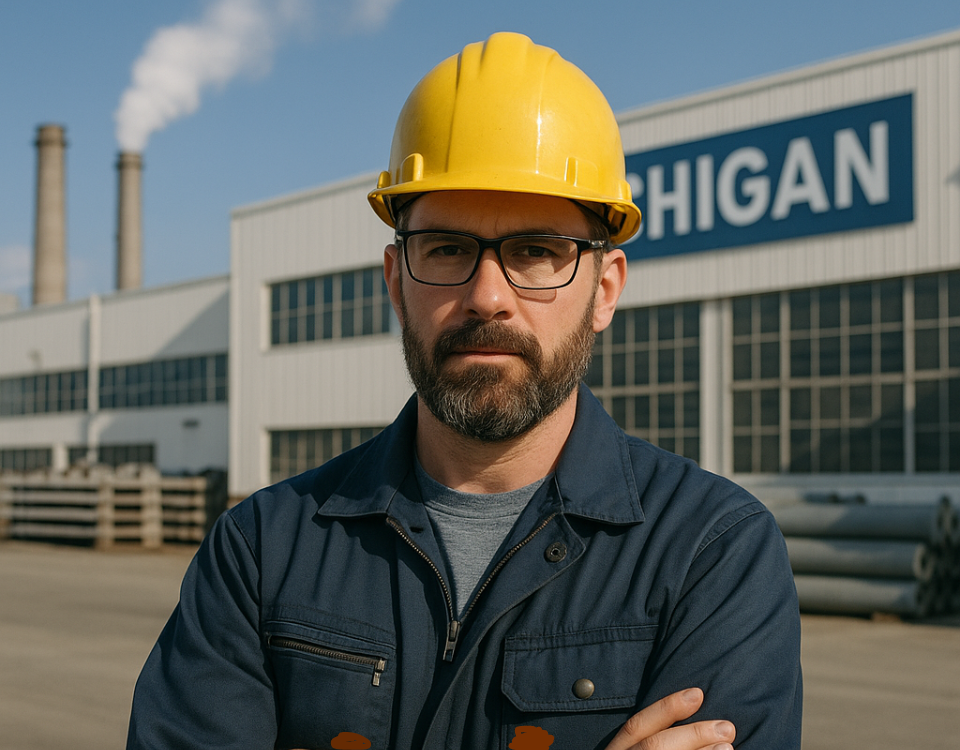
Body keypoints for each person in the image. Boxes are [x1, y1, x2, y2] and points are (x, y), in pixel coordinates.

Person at [126, 32, 802, 750]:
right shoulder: (262, 551)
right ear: (395, 281)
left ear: (605, 291)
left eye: (537, 251)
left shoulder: (710, 553)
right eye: (447, 248)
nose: (487, 297)